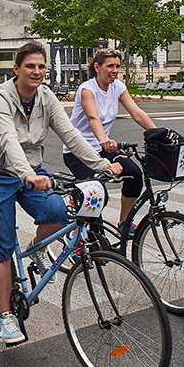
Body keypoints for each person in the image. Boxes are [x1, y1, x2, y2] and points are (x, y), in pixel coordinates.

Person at [0, 41, 123, 345]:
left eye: (41, 66)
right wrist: (26, 173)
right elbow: (7, 140)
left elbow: (71, 135)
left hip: (31, 171)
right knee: (1, 250)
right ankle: (5, 318)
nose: (37, 72)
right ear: (16, 69)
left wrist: (102, 164)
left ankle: (38, 246)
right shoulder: (1, 98)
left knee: (57, 212)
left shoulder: (46, 97)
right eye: (30, 66)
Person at [62, 48, 157, 235]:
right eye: (110, 66)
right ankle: (75, 240)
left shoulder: (118, 87)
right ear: (97, 67)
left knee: (134, 174)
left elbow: (136, 113)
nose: (115, 70)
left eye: (117, 66)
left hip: (101, 148)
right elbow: (92, 117)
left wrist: (157, 133)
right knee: (97, 194)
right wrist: (103, 139)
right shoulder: (87, 89)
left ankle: (124, 222)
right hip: (78, 150)